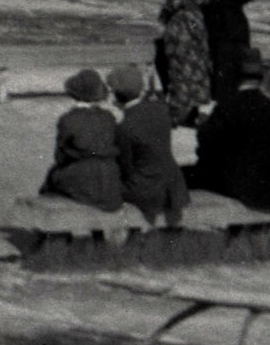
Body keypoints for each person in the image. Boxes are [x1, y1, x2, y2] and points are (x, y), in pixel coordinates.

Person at [190, 50, 270, 212]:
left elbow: (207, 147)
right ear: (261, 77)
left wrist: (203, 126)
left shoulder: (228, 106)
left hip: (245, 190)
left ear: (235, 76)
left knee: (186, 175)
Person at [110, 59, 188, 226]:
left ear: (115, 96)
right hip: (173, 186)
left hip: (147, 190)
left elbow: (126, 168)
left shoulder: (124, 127)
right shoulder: (161, 109)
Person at [40, 67, 126, 210]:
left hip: (82, 178)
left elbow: (59, 157)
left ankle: (56, 225)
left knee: (52, 179)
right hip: (109, 177)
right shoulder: (108, 117)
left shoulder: (68, 119)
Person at [155, 0, 216, 123]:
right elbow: (206, 0)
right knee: (196, 64)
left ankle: (175, 113)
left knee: (177, 65)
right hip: (196, 22)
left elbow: (174, 2)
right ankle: (192, 112)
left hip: (181, 22)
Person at [205, 0, 265, 99]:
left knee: (219, 65)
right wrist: (240, 0)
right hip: (238, 22)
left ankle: (219, 103)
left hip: (218, 23)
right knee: (237, 66)